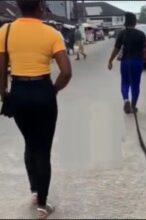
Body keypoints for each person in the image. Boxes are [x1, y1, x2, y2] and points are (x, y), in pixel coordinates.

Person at [0, 0, 72, 218]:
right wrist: (53, 90)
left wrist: (5, 94)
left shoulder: (6, 30)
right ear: (40, 7)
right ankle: (42, 204)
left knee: (30, 143)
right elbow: (66, 71)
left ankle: (34, 190)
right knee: (43, 149)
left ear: (20, 7)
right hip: (43, 92)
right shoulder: (51, 33)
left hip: (19, 92)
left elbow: (1, 68)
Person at [108, 12, 146, 114]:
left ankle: (126, 100)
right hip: (137, 62)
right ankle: (133, 106)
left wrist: (110, 60)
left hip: (125, 62)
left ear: (125, 21)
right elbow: (145, 51)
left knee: (125, 83)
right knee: (135, 85)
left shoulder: (122, 34)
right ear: (135, 22)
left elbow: (116, 49)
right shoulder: (141, 34)